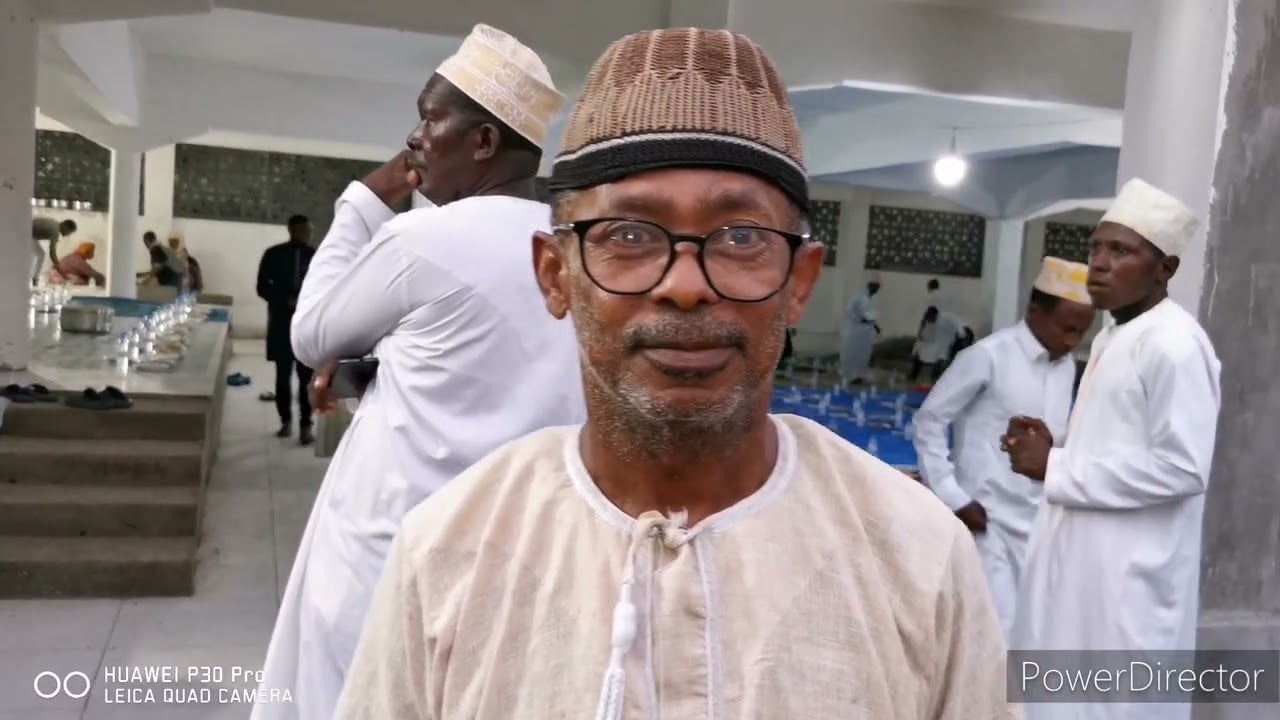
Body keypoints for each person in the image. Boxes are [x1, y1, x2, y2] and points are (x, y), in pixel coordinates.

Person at [334, 27, 1013, 719]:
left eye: (741, 237)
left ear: (799, 282)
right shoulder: (449, 549)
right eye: (629, 234)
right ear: (555, 274)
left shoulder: (919, 557)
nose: (686, 285)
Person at [253, 25, 584, 720]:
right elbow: (478, 360)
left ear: (484, 142)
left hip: (391, 553)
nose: (414, 138)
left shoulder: (426, 238)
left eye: (431, 118)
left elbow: (310, 335)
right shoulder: (572, 249)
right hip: (515, 564)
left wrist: (366, 201)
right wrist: (373, 372)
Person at [1005, 178, 1220, 720]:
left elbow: (1182, 468)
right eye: (1095, 248)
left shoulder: (1174, 344)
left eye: (1120, 251)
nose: (1097, 263)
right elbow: (1122, 446)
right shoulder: (1111, 336)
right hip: (1082, 573)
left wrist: (1057, 466)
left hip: (1126, 587)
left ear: (1165, 268)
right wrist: (1060, 449)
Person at [913, 256, 1095, 638]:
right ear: (1034, 310)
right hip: (988, 523)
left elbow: (1058, 439)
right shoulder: (988, 357)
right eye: (1066, 328)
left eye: (1081, 332)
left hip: (1040, 525)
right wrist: (954, 497)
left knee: (1035, 632)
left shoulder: (1065, 368)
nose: (1072, 341)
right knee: (995, 634)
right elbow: (929, 422)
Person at [255, 215, 316, 445]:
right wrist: (283, 300)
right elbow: (261, 287)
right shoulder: (273, 255)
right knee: (282, 376)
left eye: (310, 231)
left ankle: (305, 424)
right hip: (281, 322)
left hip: (306, 325)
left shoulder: (316, 256)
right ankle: (285, 421)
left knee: (306, 378)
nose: (308, 235)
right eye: (304, 230)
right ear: (292, 230)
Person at [839, 276, 881, 385]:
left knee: (863, 355)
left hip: (866, 332)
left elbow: (873, 316)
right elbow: (849, 310)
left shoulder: (873, 299)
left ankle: (859, 375)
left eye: (878, 287)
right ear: (869, 286)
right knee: (852, 353)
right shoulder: (858, 297)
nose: (876, 289)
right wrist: (859, 319)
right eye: (874, 287)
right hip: (855, 330)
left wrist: (876, 327)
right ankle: (848, 375)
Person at [31, 218, 76, 285]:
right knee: (40, 254)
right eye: (69, 232)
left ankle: (34, 278)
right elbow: (52, 253)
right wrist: (60, 271)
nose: (68, 235)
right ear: (66, 227)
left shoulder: (55, 225)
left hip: (28, 233)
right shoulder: (55, 230)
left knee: (40, 254)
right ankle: (34, 278)